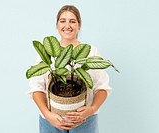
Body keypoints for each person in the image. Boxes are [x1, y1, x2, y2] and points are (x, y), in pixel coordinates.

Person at [27, 5, 112, 133]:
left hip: (84, 121)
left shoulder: (91, 51)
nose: (67, 25)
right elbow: (36, 88)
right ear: (57, 25)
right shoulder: (46, 52)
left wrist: (92, 109)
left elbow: (102, 88)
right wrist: (47, 114)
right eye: (62, 21)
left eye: (72, 21)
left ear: (79, 25)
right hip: (50, 120)